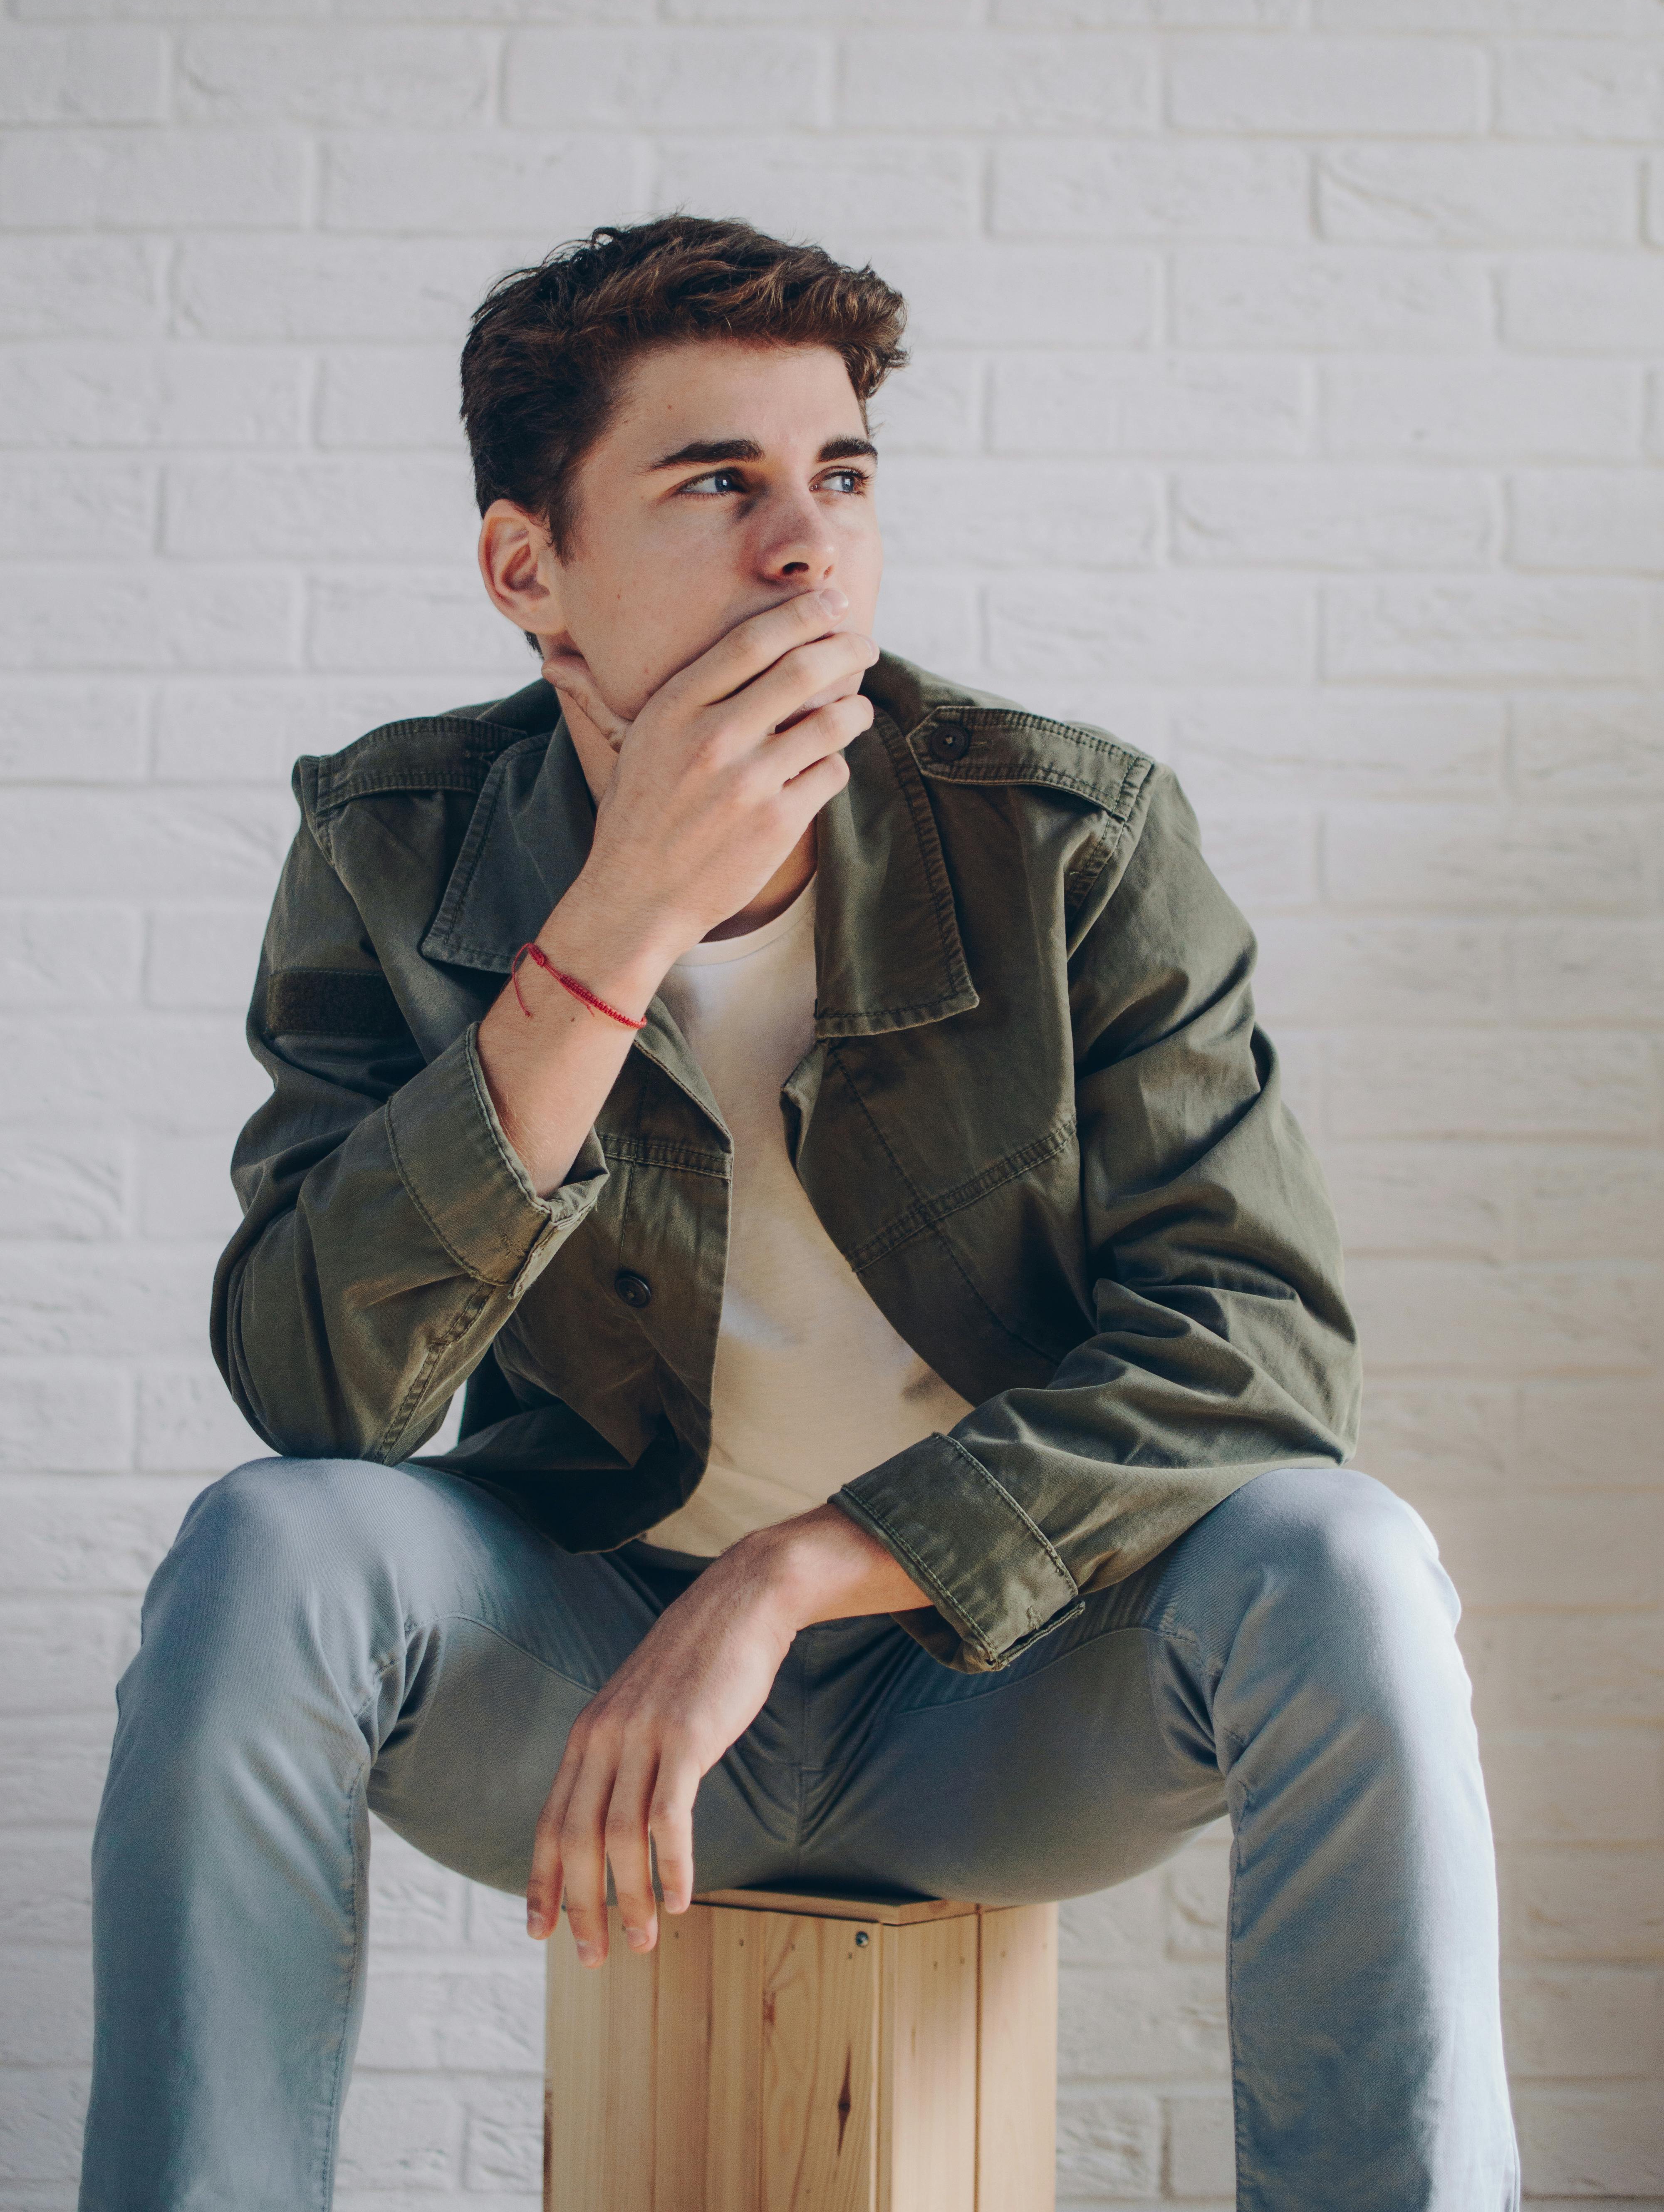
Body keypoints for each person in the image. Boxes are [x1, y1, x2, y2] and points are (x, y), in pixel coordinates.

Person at [78, 216, 1518, 2210]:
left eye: (839, 476)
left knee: (1346, 1556)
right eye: (716, 485)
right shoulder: (392, 845)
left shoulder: (1066, 839)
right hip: (581, 1688)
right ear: (530, 571)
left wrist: (784, 1583)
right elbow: (321, 1388)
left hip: (1002, 1693)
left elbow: (1257, 1357)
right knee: (265, 1549)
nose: (805, 548)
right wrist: (612, 929)